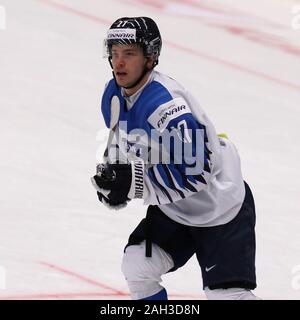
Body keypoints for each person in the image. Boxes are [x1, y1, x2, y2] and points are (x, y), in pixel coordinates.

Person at [91, 17, 259, 300]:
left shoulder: (166, 106)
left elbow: (196, 172)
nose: (118, 62)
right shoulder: (113, 95)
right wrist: (114, 181)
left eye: (129, 53)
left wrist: (132, 184)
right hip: (174, 208)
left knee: (227, 297)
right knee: (137, 265)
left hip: (220, 208)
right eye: (115, 52)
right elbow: (123, 145)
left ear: (151, 58)